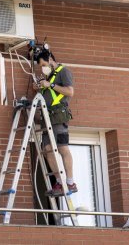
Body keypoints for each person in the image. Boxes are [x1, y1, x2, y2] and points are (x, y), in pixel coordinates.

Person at [33, 51, 77, 196]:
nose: (43, 68)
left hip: (58, 116)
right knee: (47, 150)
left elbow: (70, 92)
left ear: (50, 59)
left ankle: (70, 183)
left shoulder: (63, 71)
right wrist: (39, 87)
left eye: (44, 65)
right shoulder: (49, 76)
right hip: (47, 117)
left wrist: (50, 85)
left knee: (62, 148)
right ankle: (59, 182)